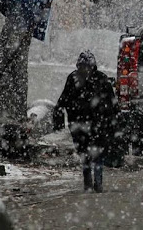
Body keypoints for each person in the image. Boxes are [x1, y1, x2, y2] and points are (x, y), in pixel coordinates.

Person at [52, 51, 118, 193]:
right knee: (85, 153)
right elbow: (63, 99)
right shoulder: (74, 78)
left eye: (87, 67)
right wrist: (58, 117)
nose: (85, 70)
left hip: (96, 123)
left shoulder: (100, 79)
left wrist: (113, 120)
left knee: (97, 153)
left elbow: (112, 103)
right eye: (82, 67)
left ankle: (97, 182)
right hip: (80, 124)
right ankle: (89, 181)